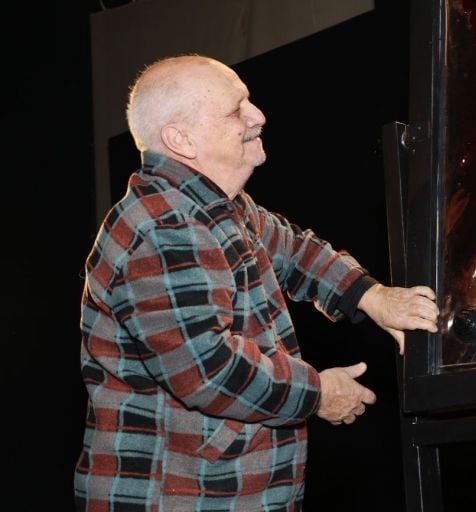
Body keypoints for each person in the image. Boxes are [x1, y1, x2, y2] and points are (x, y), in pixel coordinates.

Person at [74, 53, 439, 511]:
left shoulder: (218, 206)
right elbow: (210, 369)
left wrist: (372, 297)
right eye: (235, 109)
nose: (258, 116)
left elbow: (294, 251)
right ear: (180, 139)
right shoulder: (162, 227)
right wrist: (320, 393)